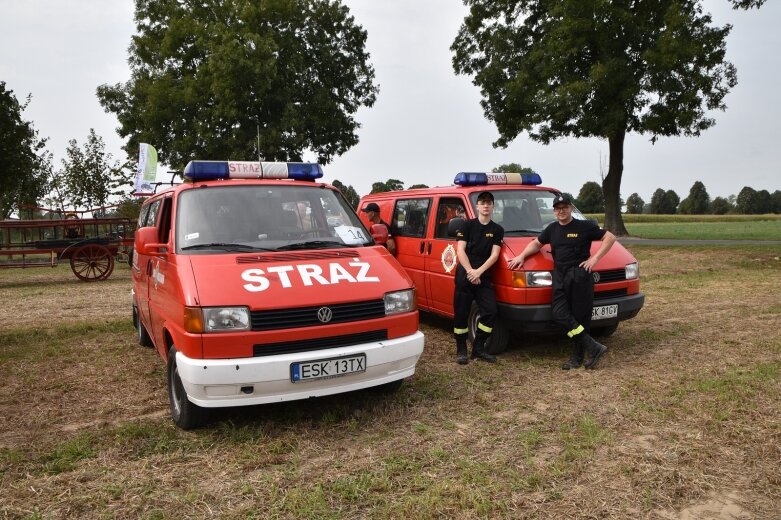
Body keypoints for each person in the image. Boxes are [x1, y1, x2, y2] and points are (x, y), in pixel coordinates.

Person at [508, 194, 616, 370]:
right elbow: (536, 243)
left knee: (581, 317)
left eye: (564, 207)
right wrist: (521, 256)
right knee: (559, 314)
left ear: (571, 208)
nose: (561, 211)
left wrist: (594, 259)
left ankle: (577, 357)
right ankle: (593, 346)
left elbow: (610, 238)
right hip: (560, 275)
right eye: (558, 208)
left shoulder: (585, 226)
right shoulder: (552, 229)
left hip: (579, 275)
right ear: (554, 211)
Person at [453, 191, 504, 364]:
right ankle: (461, 350)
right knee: (461, 312)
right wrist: (470, 271)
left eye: (489, 202)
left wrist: (478, 272)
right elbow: (460, 250)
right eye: (482, 202)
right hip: (465, 274)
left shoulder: (497, 229)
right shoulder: (467, 226)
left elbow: (494, 255)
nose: (486, 205)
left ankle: (478, 348)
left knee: (490, 311)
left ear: (493, 206)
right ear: (477, 206)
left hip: (483, 276)